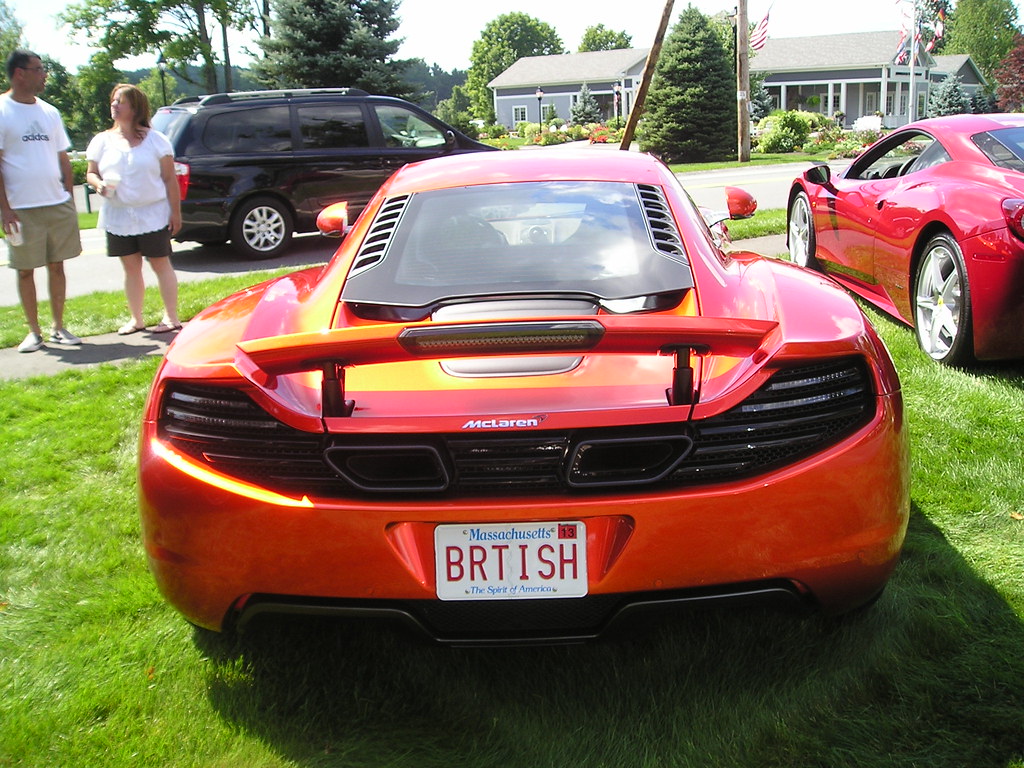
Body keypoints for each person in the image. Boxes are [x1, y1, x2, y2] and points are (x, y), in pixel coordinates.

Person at [0, 49, 83, 353]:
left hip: (55, 203)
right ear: (19, 73)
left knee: (57, 266)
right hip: (21, 208)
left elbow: (63, 158)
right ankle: (34, 332)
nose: (44, 74)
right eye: (38, 69)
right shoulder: (2, 110)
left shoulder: (49, 112)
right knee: (25, 270)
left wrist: (69, 197)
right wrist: (5, 208)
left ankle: (59, 327)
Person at [86, 83, 182, 335]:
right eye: (113, 101)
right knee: (130, 268)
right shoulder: (102, 141)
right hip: (118, 215)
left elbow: (169, 179)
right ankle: (136, 319)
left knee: (160, 264)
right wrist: (99, 186)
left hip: (153, 214)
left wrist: (176, 213)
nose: (115, 105)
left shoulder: (156, 141)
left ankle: (171, 317)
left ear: (135, 107)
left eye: (121, 101)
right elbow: (91, 173)